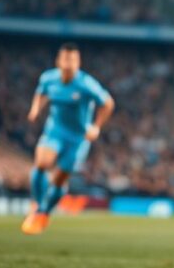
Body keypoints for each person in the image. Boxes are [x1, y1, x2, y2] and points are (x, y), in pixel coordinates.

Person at [21, 42, 115, 235]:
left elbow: (108, 103)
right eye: (65, 58)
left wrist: (96, 127)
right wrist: (35, 109)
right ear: (58, 60)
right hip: (54, 131)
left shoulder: (86, 84)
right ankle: (37, 205)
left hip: (78, 138)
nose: (68, 63)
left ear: (78, 62)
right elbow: (41, 93)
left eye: (73, 59)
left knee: (59, 179)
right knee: (41, 163)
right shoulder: (48, 78)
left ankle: (43, 213)